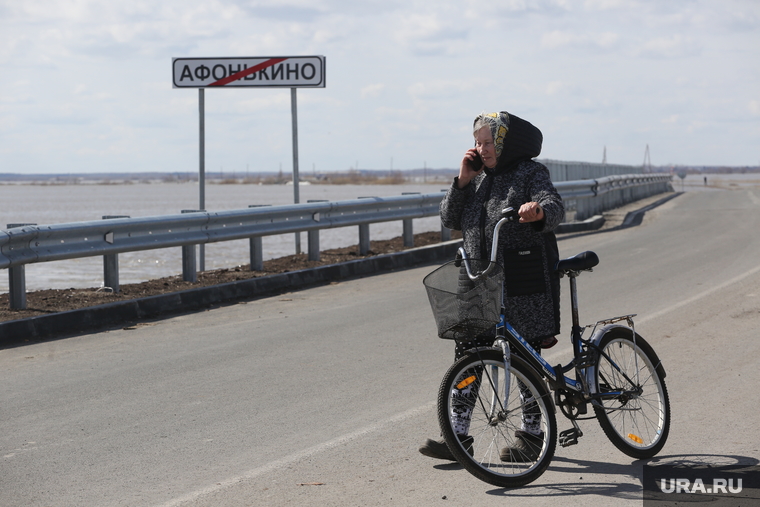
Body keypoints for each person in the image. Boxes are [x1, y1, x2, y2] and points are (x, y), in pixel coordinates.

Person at [419, 111, 565, 462]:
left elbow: (554, 206)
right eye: (477, 142)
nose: (480, 148)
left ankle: (532, 435)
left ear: (505, 143)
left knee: (525, 357)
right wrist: (463, 181)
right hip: (477, 279)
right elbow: (450, 219)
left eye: (487, 142)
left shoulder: (530, 172)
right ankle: (457, 435)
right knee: (469, 357)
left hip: (522, 279)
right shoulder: (478, 178)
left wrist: (538, 210)